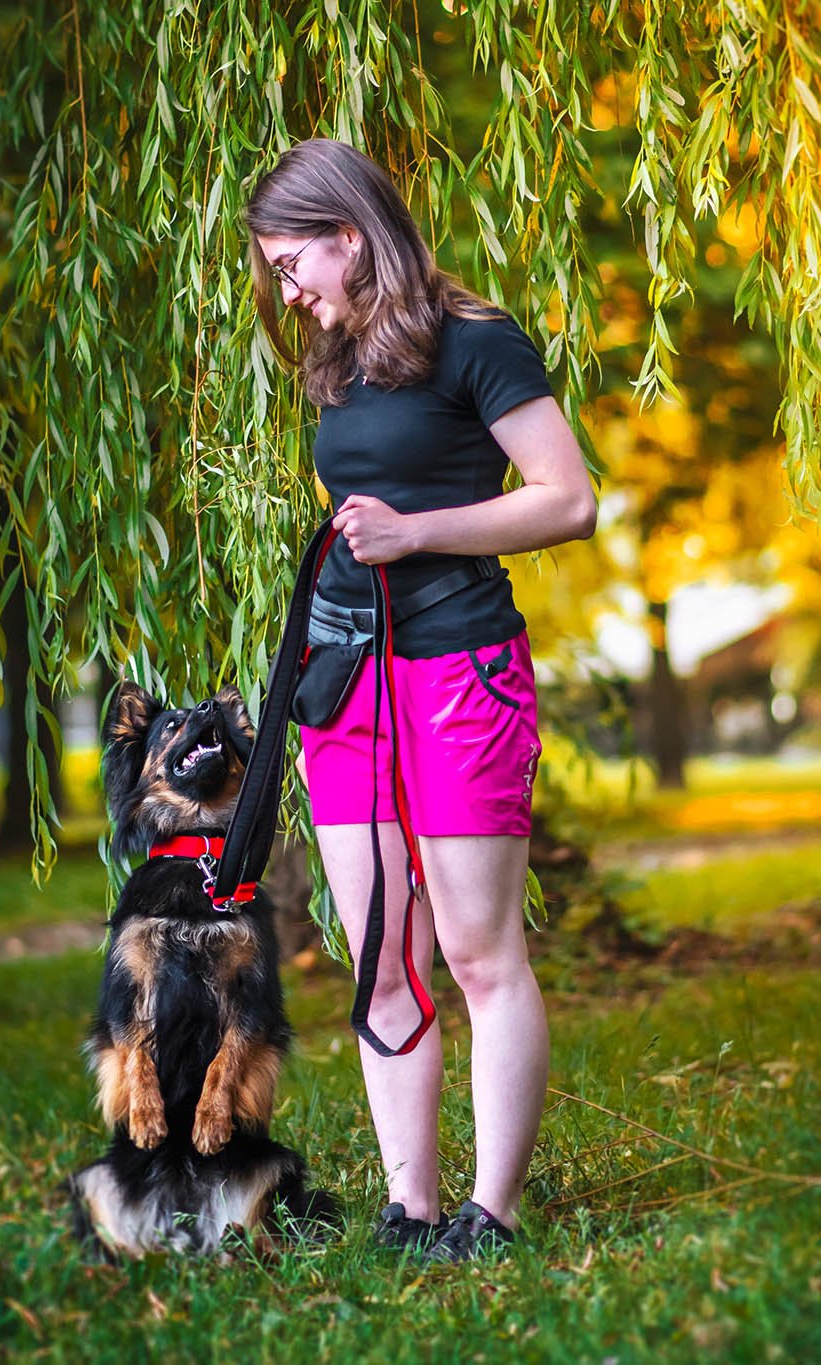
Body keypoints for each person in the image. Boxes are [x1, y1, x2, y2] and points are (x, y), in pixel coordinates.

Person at [244, 139, 597, 1264]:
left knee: (481, 955)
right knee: (381, 954)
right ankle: (411, 1209)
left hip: (457, 673)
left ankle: (488, 1216)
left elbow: (569, 500)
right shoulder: (337, 361)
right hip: (346, 685)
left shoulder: (477, 342)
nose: (286, 290)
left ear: (352, 234)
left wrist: (416, 532)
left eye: (296, 262)